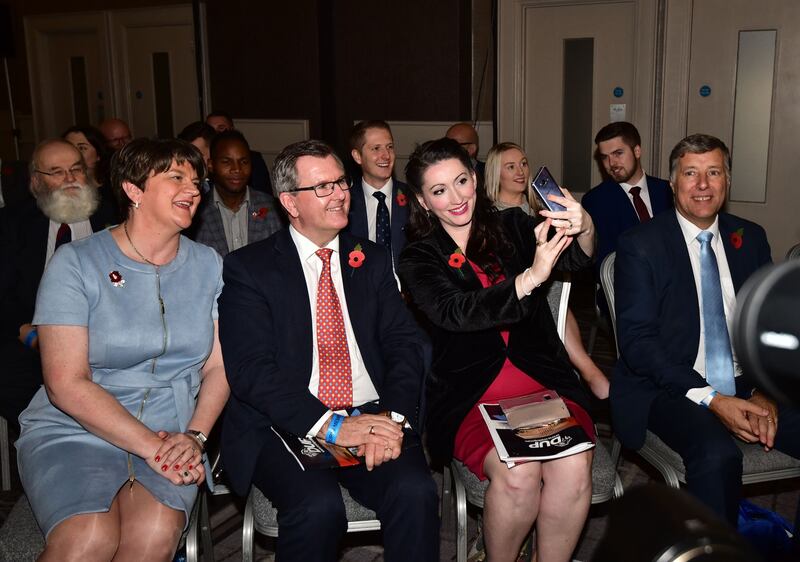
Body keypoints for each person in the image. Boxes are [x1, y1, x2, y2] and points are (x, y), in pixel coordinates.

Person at [218, 139, 439, 561]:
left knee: (415, 491)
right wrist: (332, 427)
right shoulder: (251, 269)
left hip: (372, 411)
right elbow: (252, 370)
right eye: (323, 187)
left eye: (341, 181)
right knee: (318, 508)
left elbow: (405, 344)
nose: (340, 193)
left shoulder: (369, 258)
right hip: (285, 422)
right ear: (290, 202)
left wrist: (392, 420)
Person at [15, 138, 230, 561]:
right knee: (90, 536)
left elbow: (220, 366)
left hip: (174, 426)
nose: (193, 188)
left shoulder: (209, 264)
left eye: (196, 179)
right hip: (75, 428)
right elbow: (65, 384)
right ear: (134, 190)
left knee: (153, 534)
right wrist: (153, 447)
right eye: (176, 178)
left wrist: (196, 436)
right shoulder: (75, 263)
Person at [398, 138, 596, 562]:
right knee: (519, 473)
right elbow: (457, 312)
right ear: (421, 200)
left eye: (462, 181)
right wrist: (529, 278)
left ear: (475, 178)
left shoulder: (511, 226)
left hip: (543, 380)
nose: (456, 198)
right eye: (439, 191)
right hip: (473, 393)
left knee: (575, 464)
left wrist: (584, 225)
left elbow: (577, 263)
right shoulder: (419, 256)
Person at [611, 133, 800, 526]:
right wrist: (714, 399)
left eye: (713, 172)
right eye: (691, 173)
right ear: (673, 183)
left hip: (746, 377)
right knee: (717, 456)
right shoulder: (640, 245)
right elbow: (639, 344)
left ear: (726, 182)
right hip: (671, 385)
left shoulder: (749, 237)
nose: (702, 185)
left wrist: (766, 389)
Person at [0, 139, 114, 433]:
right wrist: (27, 333)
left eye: (76, 169)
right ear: (36, 181)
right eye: (57, 172)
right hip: (32, 341)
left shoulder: (115, 218)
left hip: (107, 340)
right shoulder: (13, 224)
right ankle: (49, 437)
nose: (70, 179)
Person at [485, 141, 610, 400]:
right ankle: (589, 371)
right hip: (520, 296)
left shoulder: (539, 211)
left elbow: (576, 256)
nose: (521, 171)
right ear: (496, 174)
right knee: (552, 297)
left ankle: (588, 372)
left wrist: (579, 225)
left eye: (523, 163)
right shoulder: (491, 219)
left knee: (557, 295)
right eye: (511, 167)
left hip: (555, 285)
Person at [582, 121, 673, 278]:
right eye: (605, 157)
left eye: (618, 153)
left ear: (637, 151)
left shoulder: (669, 191)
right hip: (625, 290)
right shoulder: (595, 201)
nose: (611, 164)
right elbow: (604, 265)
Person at [191, 130, 282, 257]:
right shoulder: (196, 211)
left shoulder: (273, 208)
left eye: (244, 162)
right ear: (211, 165)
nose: (237, 169)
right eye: (226, 162)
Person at [345, 120, 408, 265]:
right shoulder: (344, 202)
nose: (386, 155)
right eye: (376, 148)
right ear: (357, 156)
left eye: (390, 147)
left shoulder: (413, 198)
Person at [205, 110, 272, 195]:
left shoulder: (254, 159)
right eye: (210, 130)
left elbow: (264, 195)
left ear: (231, 129)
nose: (215, 133)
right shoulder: (202, 158)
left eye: (221, 128)